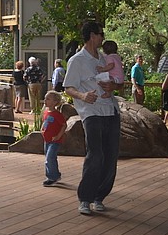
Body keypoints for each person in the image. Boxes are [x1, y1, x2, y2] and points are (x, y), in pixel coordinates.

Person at [63, 20, 122, 216]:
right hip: (91, 113)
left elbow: (119, 82)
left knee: (111, 156)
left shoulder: (105, 59)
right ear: (91, 36)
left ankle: (99, 197)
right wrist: (82, 96)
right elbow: (68, 87)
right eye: (100, 34)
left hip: (110, 110)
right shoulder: (77, 60)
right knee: (95, 155)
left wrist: (113, 86)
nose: (103, 37)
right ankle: (85, 199)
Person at [41, 90, 67, 186]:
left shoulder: (57, 114)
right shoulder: (46, 112)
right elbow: (45, 122)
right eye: (45, 98)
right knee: (49, 158)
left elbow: (64, 125)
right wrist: (42, 129)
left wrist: (58, 136)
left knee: (50, 158)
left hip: (54, 140)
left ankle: (52, 177)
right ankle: (54, 175)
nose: (45, 100)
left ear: (55, 102)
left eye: (48, 99)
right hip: (46, 139)